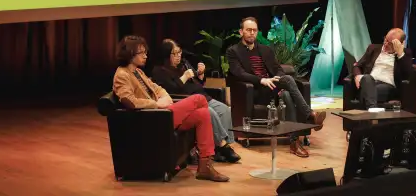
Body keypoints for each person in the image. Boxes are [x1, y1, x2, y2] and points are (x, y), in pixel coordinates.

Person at [112, 35, 229, 182]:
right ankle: (205, 149)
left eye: (145, 52)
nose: (145, 55)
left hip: (162, 114)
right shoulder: (122, 75)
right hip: (152, 119)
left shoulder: (138, 71)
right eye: (141, 53)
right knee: (199, 99)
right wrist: (157, 104)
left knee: (202, 114)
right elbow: (129, 101)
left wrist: (165, 97)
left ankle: (205, 166)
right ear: (129, 53)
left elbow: (157, 88)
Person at [226, 17, 326, 158]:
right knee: (288, 81)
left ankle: (294, 142)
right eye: (248, 30)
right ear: (241, 32)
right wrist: (262, 80)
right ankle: (309, 115)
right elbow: (239, 73)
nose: (252, 33)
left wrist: (277, 79)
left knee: (286, 94)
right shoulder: (233, 51)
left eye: (254, 30)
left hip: (273, 87)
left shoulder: (265, 49)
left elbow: (278, 69)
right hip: (255, 90)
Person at [151, 39, 241, 163]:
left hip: (203, 97)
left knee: (224, 109)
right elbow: (170, 90)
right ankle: (223, 147)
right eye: (174, 54)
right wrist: (184, 77)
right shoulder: (159, 71)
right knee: (209, 112)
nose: (178, 56)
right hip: (187, 102)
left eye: (180, 52)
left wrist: (200, 75)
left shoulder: (183, 64)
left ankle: (224, 147)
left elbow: (197, 84)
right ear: (166, 55)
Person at [352, 28, 414, 109]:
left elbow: (408, 74)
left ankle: (371, 107)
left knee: (368, 93)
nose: (386, 44)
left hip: (388, 87)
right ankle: (373, 109)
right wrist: (357, 76)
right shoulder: (373, 48)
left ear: (400, 44)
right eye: (385, 40)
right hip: (369, 82)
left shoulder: (405, 54)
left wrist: (400, 54)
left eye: (390, 43)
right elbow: (357, 65)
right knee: (367, 78)